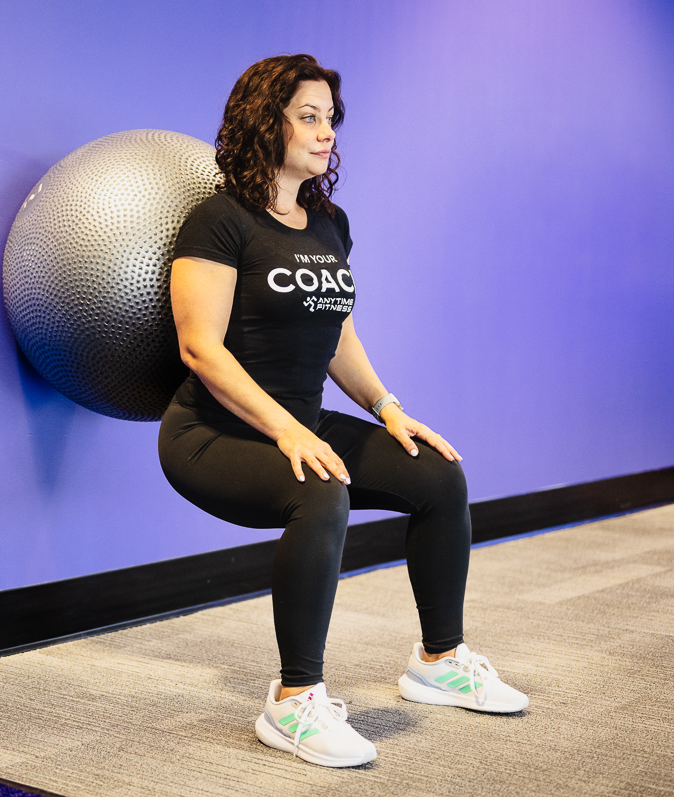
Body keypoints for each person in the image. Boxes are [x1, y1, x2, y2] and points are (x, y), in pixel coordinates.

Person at [158, 54, 528, 769]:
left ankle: (437, 661)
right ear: (266, 122)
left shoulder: (328, 223)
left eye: (331, 118)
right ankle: (293, 702)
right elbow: (200, 349)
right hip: (211, 433)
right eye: (308, 116)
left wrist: (389, 408)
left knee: (437, 475)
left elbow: (339, 336)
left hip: (300, 420)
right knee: (321, 492)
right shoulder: (219, 221)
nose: (326, 132)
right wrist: (289, 428)